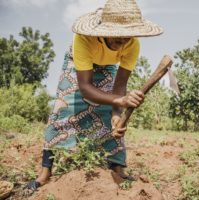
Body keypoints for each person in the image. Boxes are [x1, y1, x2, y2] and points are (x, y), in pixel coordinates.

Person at [25, 0, 163, 191]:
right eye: (117, 37)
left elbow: (120, 85)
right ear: (105, 30)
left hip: (107, 67)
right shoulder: (84, 38)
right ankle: (45, 173)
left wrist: (116, 114)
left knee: (110, 118)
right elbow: (85, 87)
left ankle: (117, 168)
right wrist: (120, 100)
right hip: (78, 67)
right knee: (62, 110)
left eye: (127, 37)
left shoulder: (132, 45)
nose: (122, 41)